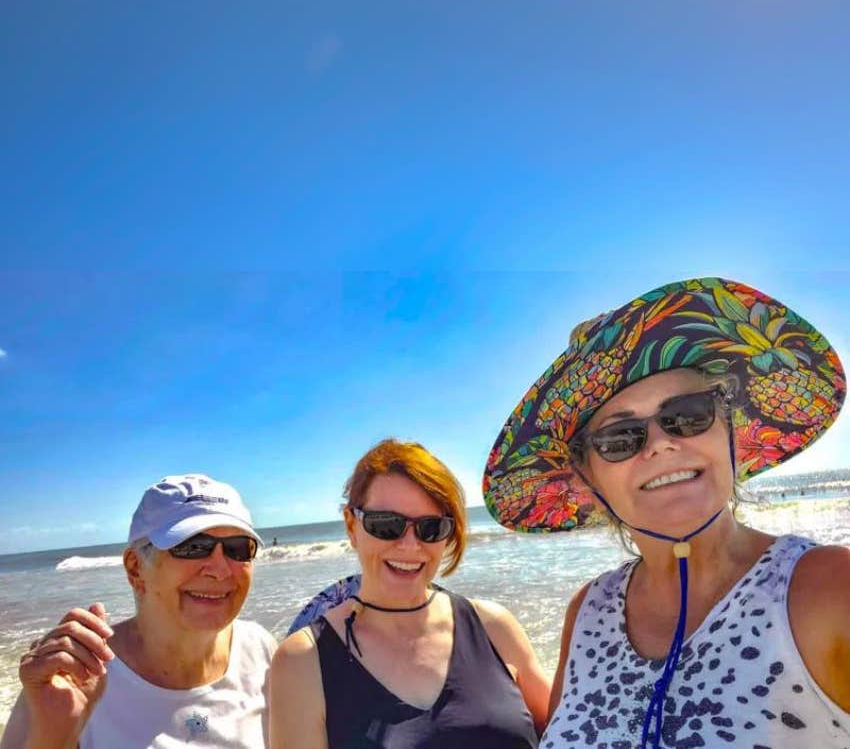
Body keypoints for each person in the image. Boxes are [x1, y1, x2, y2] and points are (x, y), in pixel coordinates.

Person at [482, 277, 850, 748]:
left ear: (729, 429)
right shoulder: (589, 611)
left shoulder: (828, 587)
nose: (661, 443)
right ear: (586, 480)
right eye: (620, 438)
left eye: (689, 413)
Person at [270, 439, 551, 748]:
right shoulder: (303, 660)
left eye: (430, 528)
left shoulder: (492, 626)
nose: (409, 545)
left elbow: (569, 728)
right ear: (352, 526)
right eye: (386, 525)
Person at [1, 474, 276, 749]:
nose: (220, 569)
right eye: (193, 547)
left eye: (238, 549)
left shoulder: (261, 651)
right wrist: (53, 735)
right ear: (135, 567)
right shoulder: (72, 676)